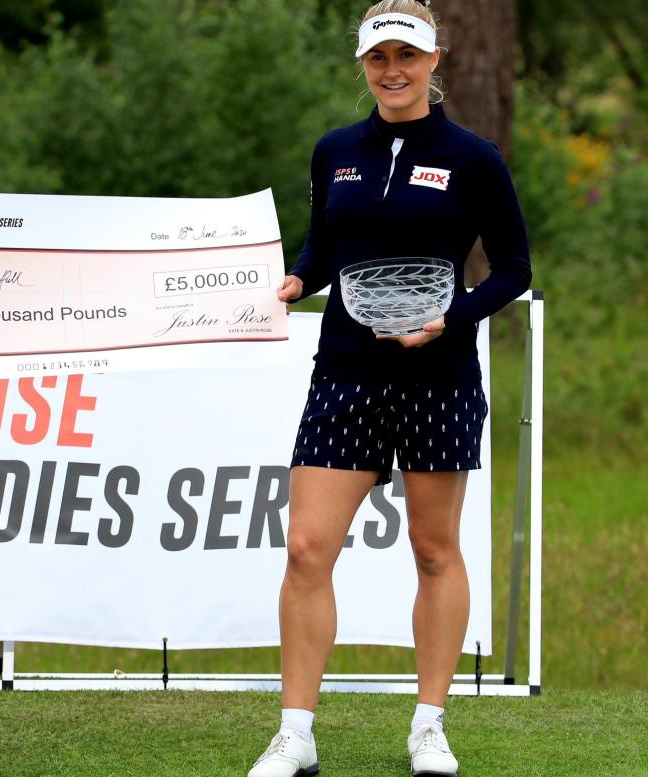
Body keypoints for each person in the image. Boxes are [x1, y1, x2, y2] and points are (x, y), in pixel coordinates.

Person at [248, 2, 531, 776]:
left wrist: (453, 318)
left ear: (435, 60)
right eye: (379, 58)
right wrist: (300, 277)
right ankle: (295, 732)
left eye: (407, 56)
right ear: (364, 64)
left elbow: (513, 268)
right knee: (307, 547)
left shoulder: (474, 157)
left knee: (435, 549)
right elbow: (325, 245)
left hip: (438, 374)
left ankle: (429, 725)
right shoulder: (335, 151)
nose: (393, 70)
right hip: (345, 369)